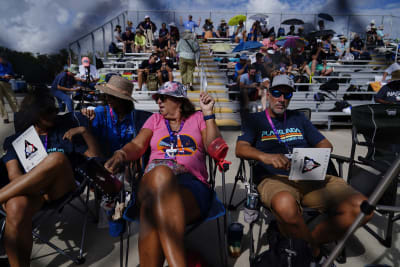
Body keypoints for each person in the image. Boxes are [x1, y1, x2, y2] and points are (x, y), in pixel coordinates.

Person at [235, 74, 372, 263]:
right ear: (268, 93)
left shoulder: (299, 118)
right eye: (277, 93)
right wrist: (266, 156)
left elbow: (326, 145)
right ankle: (313, 252)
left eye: (287, 95)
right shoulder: (255, 120)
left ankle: (304, 245)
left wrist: (307, 158)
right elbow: (240, 148)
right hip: (275, 178)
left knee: (363, 208)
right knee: (284, 203)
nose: (282, 99)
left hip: (309, 173)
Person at [104, 81, 221, 267]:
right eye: (157, 98)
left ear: (179, 101)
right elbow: (137, 145)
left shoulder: (198, 118)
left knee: (150, 212)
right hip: (152, 182)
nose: (158, 102)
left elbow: (215, 148)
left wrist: (208, 114)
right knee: (162, 174)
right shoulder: (155, 120)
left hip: (191, 186)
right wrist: (121, 153)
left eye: (163, 98)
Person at [1, 89, 100, 267]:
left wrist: (84, 131)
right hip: (34, 194)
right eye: (48, 111)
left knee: (56, 159)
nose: (54, 114)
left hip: (62, 186)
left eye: (54, 109)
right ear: (35, 114)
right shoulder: (17, 140)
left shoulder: (64, 131)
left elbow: (94, 157)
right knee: (15, 206)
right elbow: (14, 176)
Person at [81, 75, 152, 158]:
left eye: (112, 96)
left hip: (127, 162)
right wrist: (88, 122)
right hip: (104, 162)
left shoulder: (136, 118)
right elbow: (92, 141)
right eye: (106, 95)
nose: (107, 99)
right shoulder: (100, 112)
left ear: (123, 100)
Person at [0, 55, 18, 124]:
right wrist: (3, 76)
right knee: (0, 102)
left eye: (3, 59)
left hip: (6, 83)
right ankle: (5, 118)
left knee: (12, 99)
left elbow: (12, 74)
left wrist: (10, 76)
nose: (2, 60)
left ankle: (17, 115)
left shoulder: (9, 64)